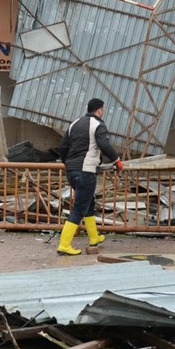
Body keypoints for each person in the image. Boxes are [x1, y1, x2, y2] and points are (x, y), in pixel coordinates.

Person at [57, 98, 124, 255]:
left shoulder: (74, 123)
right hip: (86, 170)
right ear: (99, 110)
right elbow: (104, 144)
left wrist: (68, 163)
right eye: (103, 110)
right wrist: (117, 160)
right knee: (79, 208)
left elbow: (62, 147)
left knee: (88, 202)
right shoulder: (98, 125)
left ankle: (94, 237)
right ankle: (64, 244)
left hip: (71, 170)